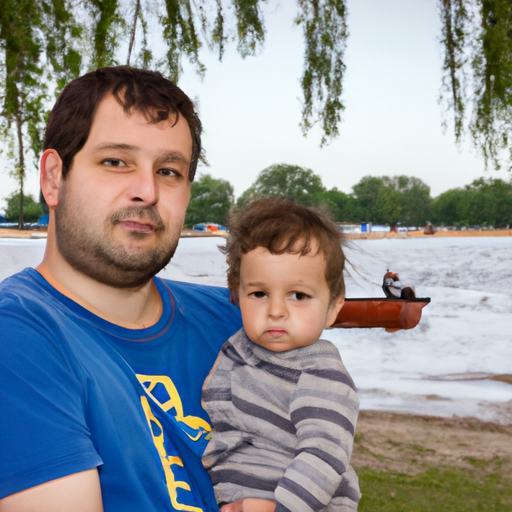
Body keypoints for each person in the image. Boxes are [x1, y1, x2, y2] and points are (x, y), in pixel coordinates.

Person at [0, 66, 243, 512]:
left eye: (169, 171)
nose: (146, 191)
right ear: (53, 178)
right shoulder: (15, 338)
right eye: (116, 162)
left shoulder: (237, 322)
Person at [202, 199, 361, 512]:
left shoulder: (320, 373)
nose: (276, 311)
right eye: (259, 294)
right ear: (236, 294)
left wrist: (278, 508)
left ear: (333, 308)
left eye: (299, 295)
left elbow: (324, 456)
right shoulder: (239, 348)